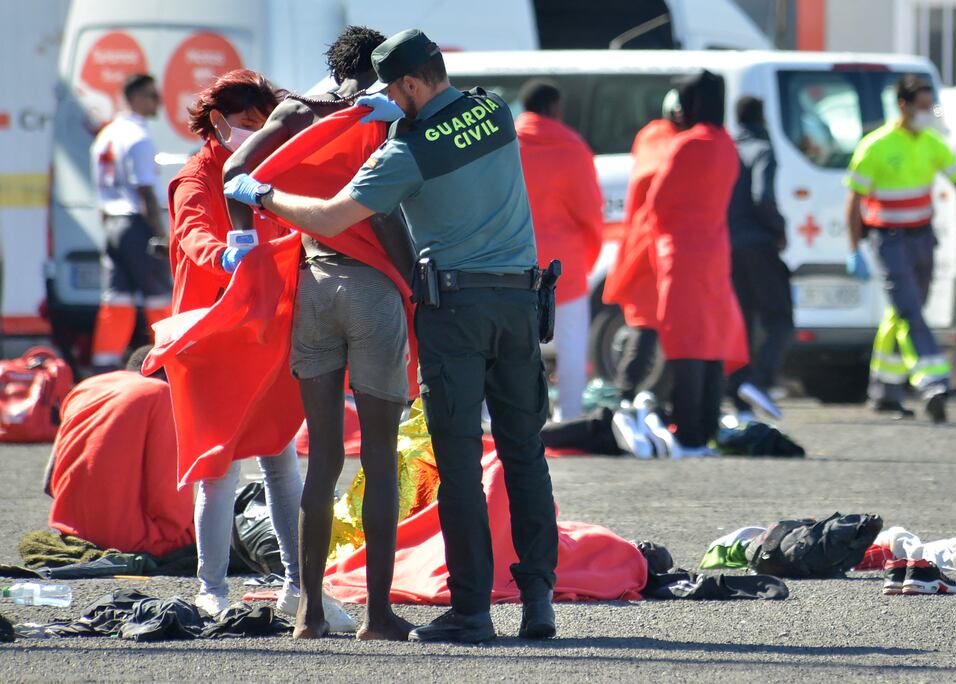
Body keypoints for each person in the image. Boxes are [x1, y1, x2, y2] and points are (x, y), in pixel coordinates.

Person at [225, 28, 559, 643]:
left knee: (458, 464)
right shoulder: (496, 111)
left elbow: (331, 217)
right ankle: (539, 603)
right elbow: (445, 127)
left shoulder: (403, 153)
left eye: (394, 93)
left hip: (454, 310)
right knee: (525, 455)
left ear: (407, 83)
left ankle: (472, 613)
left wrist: (263, 194)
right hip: (519, 300)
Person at [222, 26, 416, 641]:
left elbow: (234, 171)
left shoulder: (299, 111)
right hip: (373, 289)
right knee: (379, 458)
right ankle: (379, 616)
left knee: (324, 457)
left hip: (312, 285)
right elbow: (381, 212)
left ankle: (308, 612)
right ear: (381, 67)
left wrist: (243, 242)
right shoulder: (381, 116)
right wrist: (414, 281)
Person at [166, 69, 356, 630]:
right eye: (246, 127)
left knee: (280, 458)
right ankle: (211, 590)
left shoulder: (262, 167)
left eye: (261, 126)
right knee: (217, 468)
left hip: (268, 330)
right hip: (210, 335)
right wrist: (226, 254)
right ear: (217, 124)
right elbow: (194, 231)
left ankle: (299, 587)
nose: (253, 136)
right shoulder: (193, 178)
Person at [845, 74, 956, 423]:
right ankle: (931, 382)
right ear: (903, 106)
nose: (927, 113)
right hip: (887, 240)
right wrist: (855, 249)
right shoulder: (875, 146)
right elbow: (853, 203)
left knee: (902, 312)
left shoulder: (931, 143)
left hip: (923, 238)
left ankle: (884, 390)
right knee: (910, 311)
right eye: (922, 107)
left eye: (930, 107)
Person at [646, 71, 746, 456]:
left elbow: (657, 201)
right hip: (715, 250)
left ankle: (687, 429)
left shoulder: (686, 144)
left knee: (684, 338)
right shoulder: (726, 144)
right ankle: (705, 424)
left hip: (682, 251)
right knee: (710, 340)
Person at [44, 346, 194, 556]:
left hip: (70, 530)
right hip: (130, 539)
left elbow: (49, 483)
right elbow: (169, 497)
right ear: (169, 375)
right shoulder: (161, 392)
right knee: (225, 524)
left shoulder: (86, 387)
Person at [514, 79, 603, 422]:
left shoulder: (507, 143)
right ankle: (569, 417)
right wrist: (587, 258)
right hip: (564, 264)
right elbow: (591, 212)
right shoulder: (573, 147)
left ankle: (513, 418)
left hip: (514, 262)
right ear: (554, 108)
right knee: (571, 346)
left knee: (512, 349)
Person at [89, 73, 172, 372]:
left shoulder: (106, 135)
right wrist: (162, 234)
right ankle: (168, 362)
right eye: (151, 95)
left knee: (117, 298)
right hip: (136, 225)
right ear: (136, 98)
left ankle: (104, 366)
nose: (157, 101)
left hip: (112, 224)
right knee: (160, 295)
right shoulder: (138, 137)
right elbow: (145, 189)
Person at [604, 90, 683, 402]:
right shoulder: (665, 141)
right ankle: (626, 395)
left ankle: (633, 396)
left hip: (649, 241)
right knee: (648, 325)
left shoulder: (651, 137)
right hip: (653, 244)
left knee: (653, 326)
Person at [726, 96, 792, 422]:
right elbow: (761, 196)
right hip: (758, 244)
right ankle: (758, 381)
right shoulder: (762, 150)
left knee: (742, 321)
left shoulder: (726, 148)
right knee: (780, 318)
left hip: (727, 246)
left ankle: (738, 390)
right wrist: (779, 228)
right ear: (762, 116)